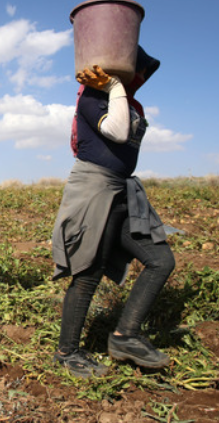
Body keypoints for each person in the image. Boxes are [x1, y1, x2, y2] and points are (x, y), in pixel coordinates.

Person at [51, 46, 175, 378]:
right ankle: (67, 353)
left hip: (121, 190)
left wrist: (120, 93)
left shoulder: (128, 104)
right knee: (88, 272)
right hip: (94, 189)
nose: (142, 78)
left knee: (161, 260)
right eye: (137, 71)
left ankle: (126, 335)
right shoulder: (92, 99)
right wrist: (114, 88)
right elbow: (117, 132)